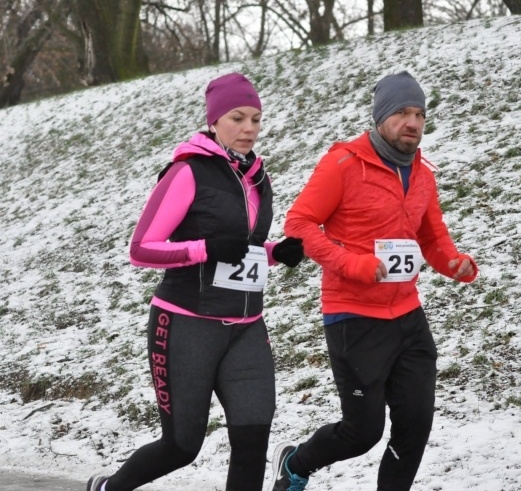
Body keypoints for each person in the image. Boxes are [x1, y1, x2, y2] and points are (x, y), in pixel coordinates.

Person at [87, 73, 305, 491]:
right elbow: (141, 248)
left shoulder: (258, 177)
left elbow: (243, 247)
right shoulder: (188, 172)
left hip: (246, 328)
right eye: (237, 118)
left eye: (256, 119)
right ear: (214, 121)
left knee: (252, 436)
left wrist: (277, 252)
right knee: (182, 446)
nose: (248, 129)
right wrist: (203, 249)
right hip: (187, 324)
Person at [269, 71, 478, 491]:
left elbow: (432, 236)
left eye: (419, 113)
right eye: (402, 112)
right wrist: (351, 263)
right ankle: (295, 464)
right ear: (382, 116)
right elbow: (300, 223)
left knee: (415, 425)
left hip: (408, 314)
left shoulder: (422, 173)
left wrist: (453, 263)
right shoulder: (344, 163)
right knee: (363, 432)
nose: (413, 123)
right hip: (354, 317)